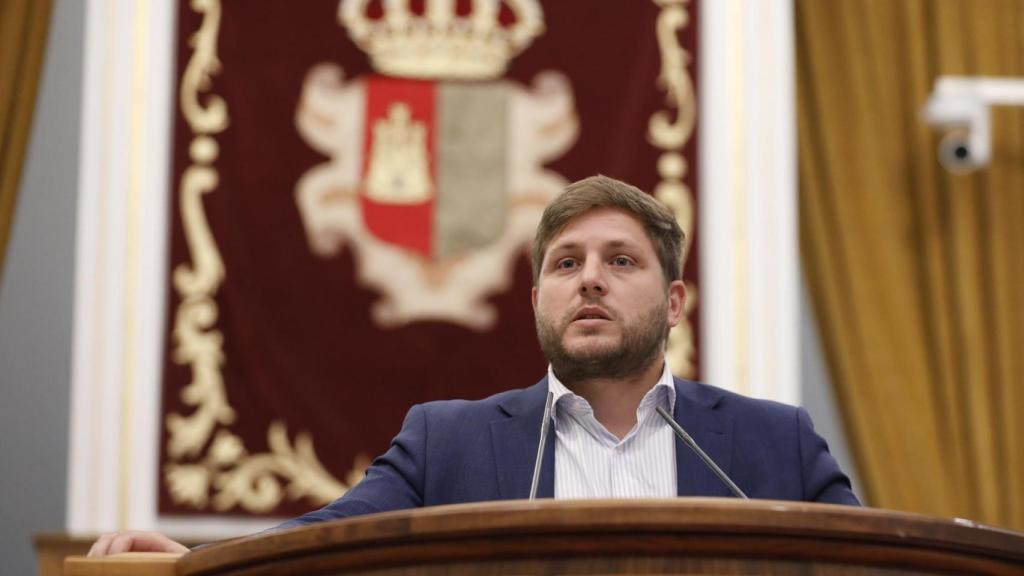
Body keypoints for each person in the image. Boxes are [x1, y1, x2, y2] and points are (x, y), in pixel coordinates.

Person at [88, 175, 857, 557]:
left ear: (676, 302)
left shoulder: (772, 446)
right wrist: (202, 566)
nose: (589, 279)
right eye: (565, 264)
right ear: (535, 301)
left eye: (620, 260)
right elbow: (323, 550)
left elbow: (881, 564)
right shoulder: (445, 444)